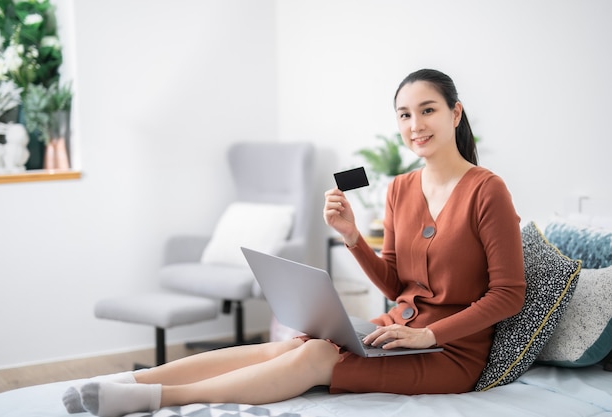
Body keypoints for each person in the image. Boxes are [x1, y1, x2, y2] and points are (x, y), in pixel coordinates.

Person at [62, 69, 526, 417]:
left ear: (455, 113)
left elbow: (509, 295)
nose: (415, 124)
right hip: (393, 330)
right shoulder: (400, 189)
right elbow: (394, 280)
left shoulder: (487, 190)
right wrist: (351, 237)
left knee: (313, 355)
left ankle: (153, 398)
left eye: (428, 110)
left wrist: (429, 333)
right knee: (294, 344)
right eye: (405, 114)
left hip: (450, 351)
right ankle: (130, 377)